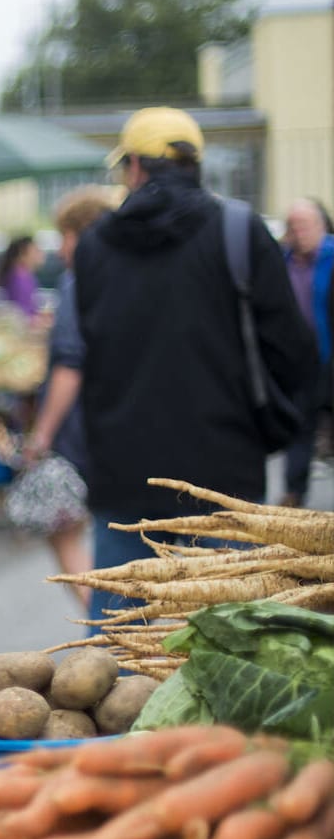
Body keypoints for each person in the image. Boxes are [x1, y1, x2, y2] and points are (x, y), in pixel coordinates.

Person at [75, 108, 317, 621]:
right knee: (227, 644)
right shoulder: (238, 229)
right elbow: (294, 349)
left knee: (115, 651)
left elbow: (88, 352)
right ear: (195, 165)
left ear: (135, 166)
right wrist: (272, 426)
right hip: (223, 469)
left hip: (123, 471)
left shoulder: (94, 245)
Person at [21, 185, 120, 609]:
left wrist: (41, 434)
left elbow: (68, 364)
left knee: (64, 532)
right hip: (112, 424)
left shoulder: (77, 282)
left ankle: (108, 627)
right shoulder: (122, 279)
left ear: (81, 234)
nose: (60, 248)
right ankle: (116, 627)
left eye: (64, 236)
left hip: (75, 433)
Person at [280, 197, 334, 506]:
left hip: (330, 357)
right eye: (293, 226)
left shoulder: (331, 256)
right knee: (299, 428)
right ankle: (293, 493)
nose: (299, 232)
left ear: (320, 225)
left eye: (305, 225)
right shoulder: (282, 260)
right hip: (299, 362)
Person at [0, 233, 43, 321]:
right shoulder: (20, 279)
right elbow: (23, 314)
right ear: (22, 254)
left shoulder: (24, 276)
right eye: (35, 250)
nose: (40, 253)